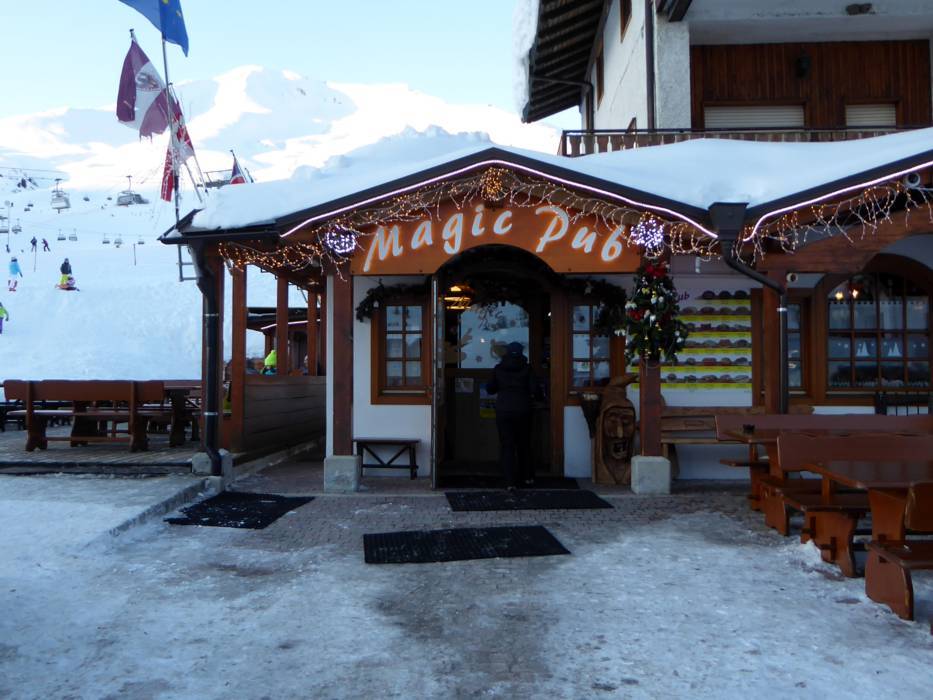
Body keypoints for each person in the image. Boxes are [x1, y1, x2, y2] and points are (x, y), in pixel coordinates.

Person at [485, 341, 537, 489]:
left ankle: (510, 482)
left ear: (506, 353)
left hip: (504, 410)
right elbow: (534, 389)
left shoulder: (498, 368)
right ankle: (527, 477)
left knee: (507, 445)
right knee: (524, 444)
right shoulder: (527, 368)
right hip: (523, 409)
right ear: (521, 353)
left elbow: (490, 389)